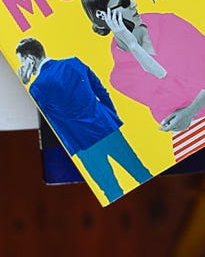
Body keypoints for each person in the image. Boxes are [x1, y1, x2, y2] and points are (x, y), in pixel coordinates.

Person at [80, 0, 205, 161]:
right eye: (124, 2)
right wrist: (135, 48)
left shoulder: (168, 23)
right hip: (188, 138)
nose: (134, 4)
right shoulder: (120, 78)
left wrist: (190, 111)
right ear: (103, 16)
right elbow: (173, 102)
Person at [15, 37, 152, 203]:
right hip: (106, 127)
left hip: (82, 143)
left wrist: (25, 83)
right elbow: (101, 92)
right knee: (140, 172)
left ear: (30, 59)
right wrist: (110, 118)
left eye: (22, 61)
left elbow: (47, 119)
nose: (22, 66)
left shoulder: (37, 88)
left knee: (111, 191)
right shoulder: (74, 63)